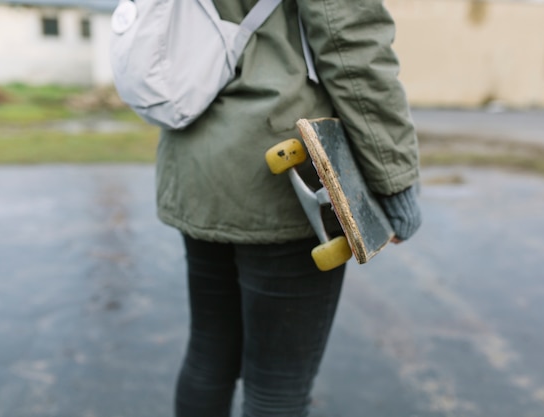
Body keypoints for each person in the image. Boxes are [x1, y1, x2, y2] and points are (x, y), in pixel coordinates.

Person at [155, 0, 422, 415]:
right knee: (277, 386)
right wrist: (395, 180)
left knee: (209, 357)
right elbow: (350, 41)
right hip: (286, 165)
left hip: (195, 156)